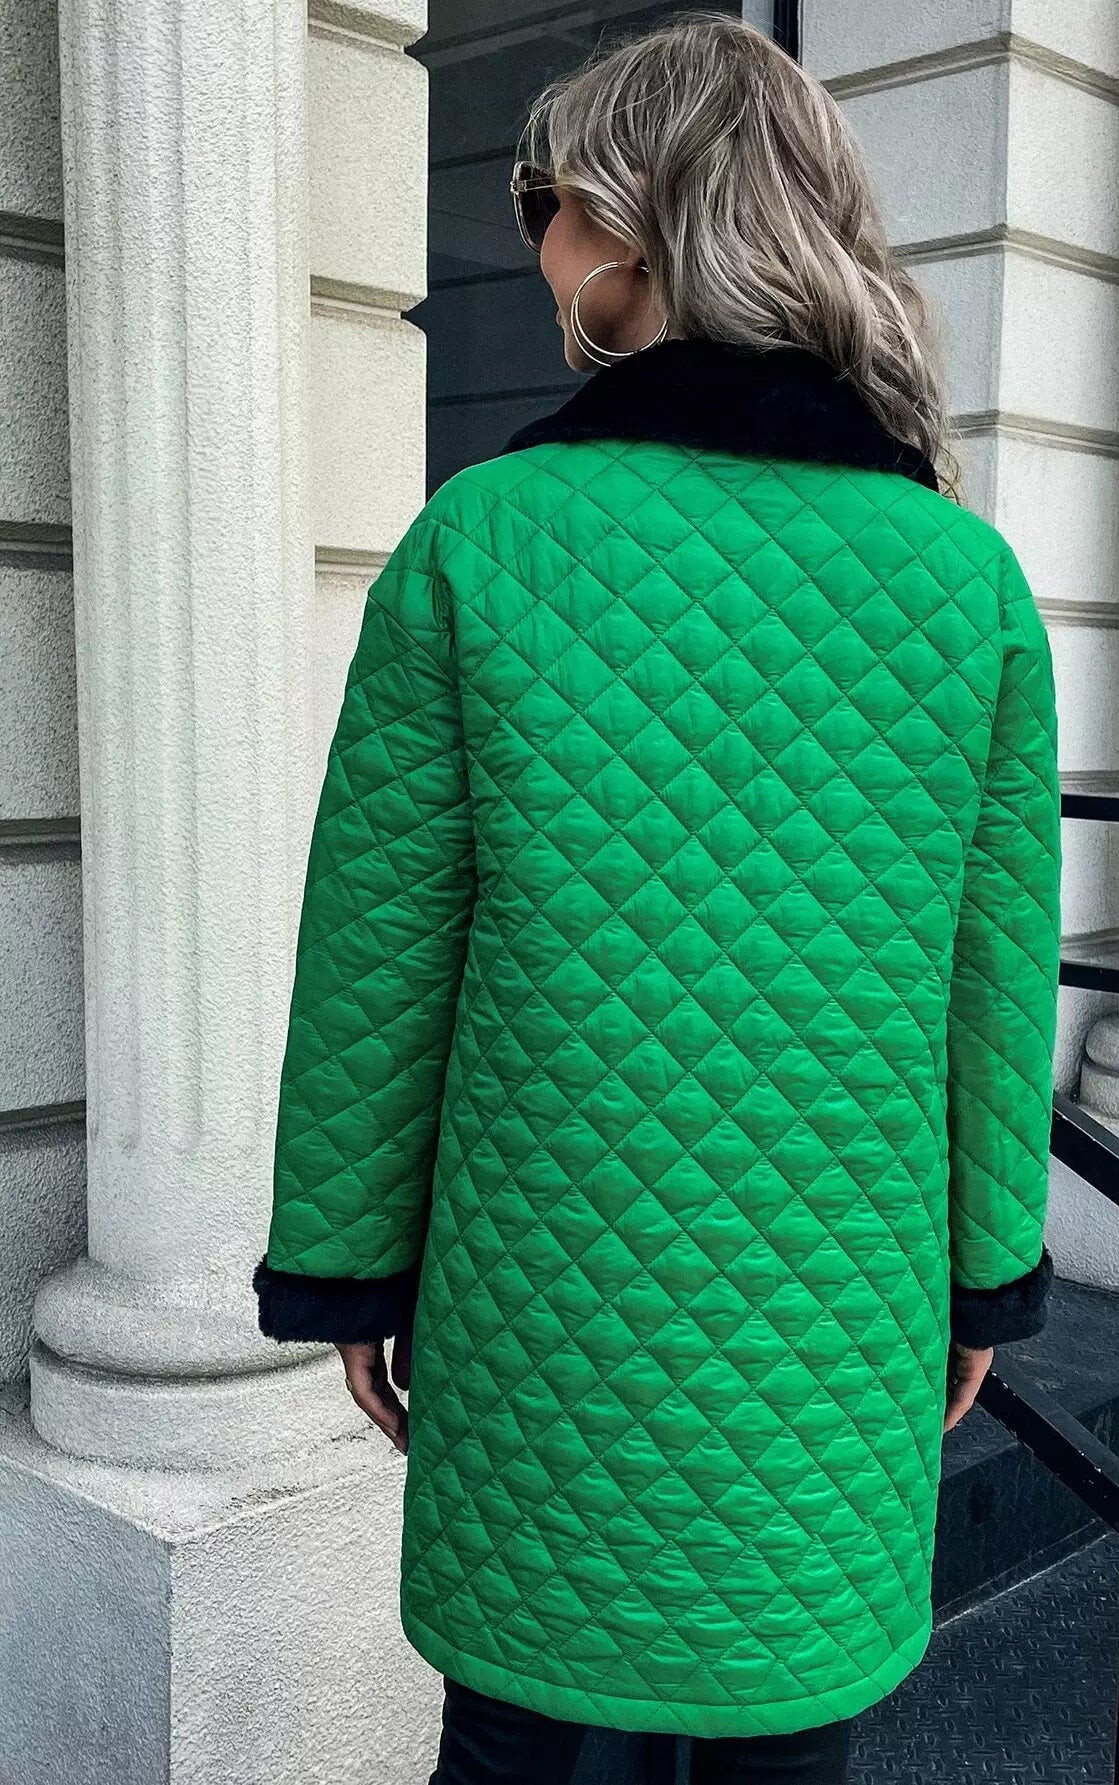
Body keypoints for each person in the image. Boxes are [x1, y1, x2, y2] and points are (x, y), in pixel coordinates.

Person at [253, 14, 1062, 1784]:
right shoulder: (967, 579)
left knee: (521, 1741)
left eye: (543, 198)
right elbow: (994, 984)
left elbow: (381, 954)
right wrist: (984, 1278)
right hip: (833, 1307)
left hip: (540, 1302)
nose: (536, 236)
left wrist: (348, 1262)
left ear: (632, 222)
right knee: (785, 1735)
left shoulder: (483, 539)